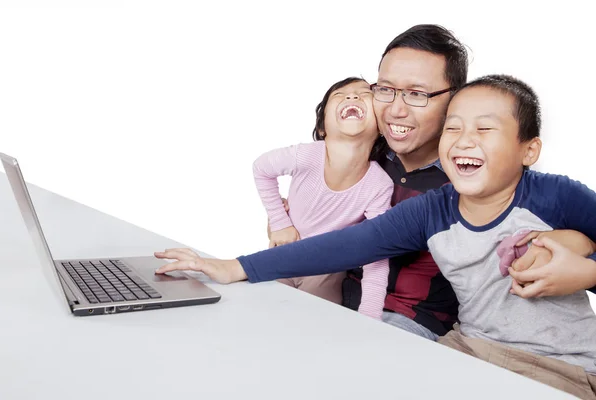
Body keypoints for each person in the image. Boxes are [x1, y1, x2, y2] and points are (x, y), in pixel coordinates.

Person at [153, 74, 596, 398]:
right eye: (454, 128)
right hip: (466, 350)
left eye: (484, 129)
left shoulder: (554, 195)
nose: (463, 140)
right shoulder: (434, 208)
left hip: (561, 368)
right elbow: (349, 244)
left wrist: (587, 271)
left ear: (528, 150)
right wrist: (235, 267)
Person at [271, 24, 595, 341]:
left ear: (455, 100)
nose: (396, 109)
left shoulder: (479, 176)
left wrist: (586, 265)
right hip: (331, 299)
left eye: (417, 94)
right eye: (385, 89)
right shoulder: (364, 153)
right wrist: (285, 220)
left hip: (414, 325)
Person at [251, 76, 393, 318]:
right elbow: (261, 168)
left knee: (314, 324)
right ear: (322, 128)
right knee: (262, 312)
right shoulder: (307, 155)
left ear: (381, 128)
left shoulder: (379, 185)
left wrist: (370, 317)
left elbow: (377, 251)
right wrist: (279, 221)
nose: (351, 96)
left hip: (326, 269)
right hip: (284, 252)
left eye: (363, 94)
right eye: (340, 95)